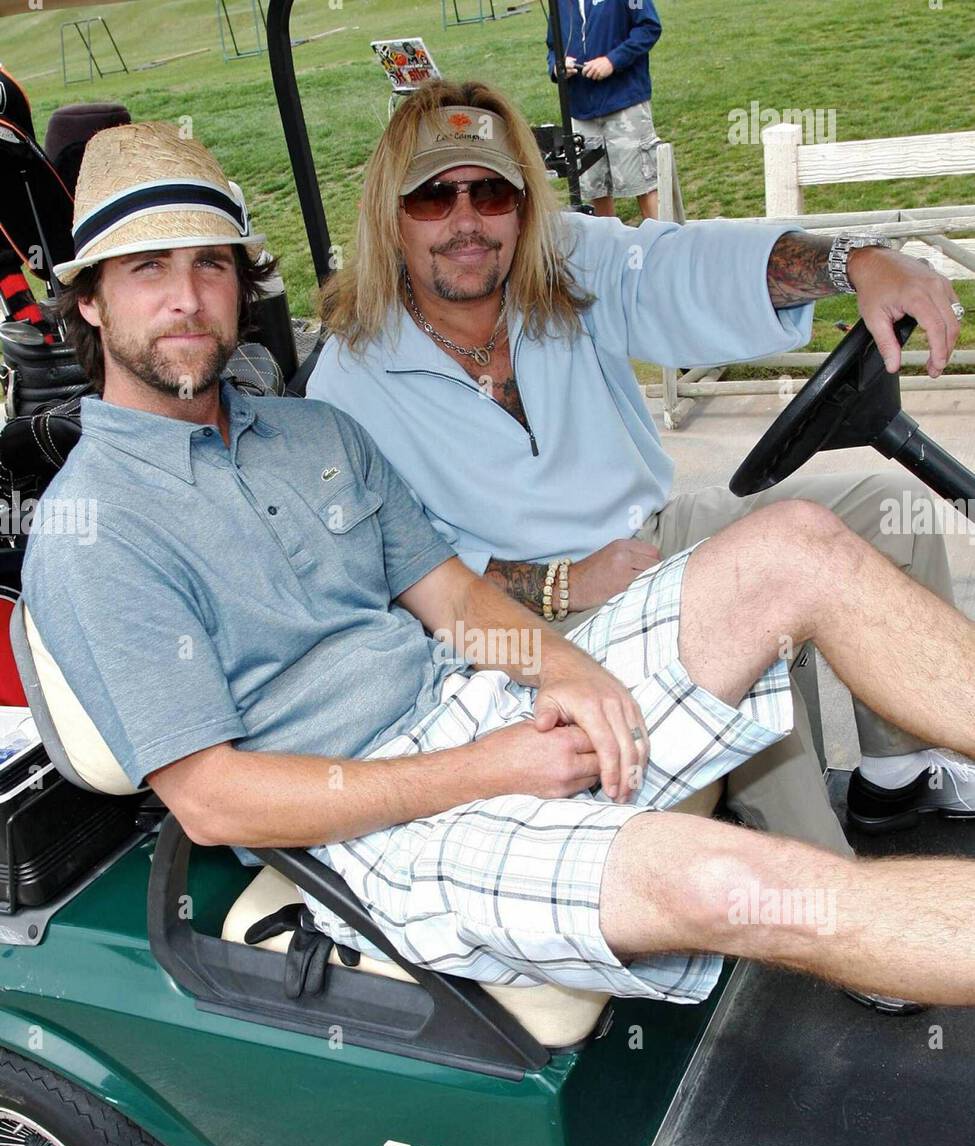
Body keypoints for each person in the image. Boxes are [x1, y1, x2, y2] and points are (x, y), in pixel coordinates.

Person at [22, 122, 975, 1010]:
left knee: (795, 542)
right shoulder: (95, 529)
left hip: (478, 705)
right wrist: (487, 768)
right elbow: (215, 799)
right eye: (147, 271)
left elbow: (451, 594)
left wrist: (568, 671)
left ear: (241, 283)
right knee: (729, 880)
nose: (186, 298)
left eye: (210, 266)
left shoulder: (310, 430)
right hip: (381, 823)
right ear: (93, 302)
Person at [307, 79, 973, 912]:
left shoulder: (565, 267)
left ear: (523, 205)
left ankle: (896, 773)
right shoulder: (350, 381)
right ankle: (836, 911)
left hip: (655, 532)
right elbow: (398, 574)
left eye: (492, 192)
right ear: (389, 214)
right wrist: (561, 583)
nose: (467, 220)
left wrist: (854, 263)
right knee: (753, 614)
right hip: (524, 620)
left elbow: (688, 266)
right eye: (434, 197)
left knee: (881, 515)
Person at [546, 0, 663, 218]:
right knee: (594, 187)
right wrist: (556, 66)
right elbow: (553, 46)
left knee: (642, 183)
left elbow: (648, 27)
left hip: (624, 102)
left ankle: (662, 244)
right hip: (580, 109)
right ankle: (607, 246)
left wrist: (613, 61)